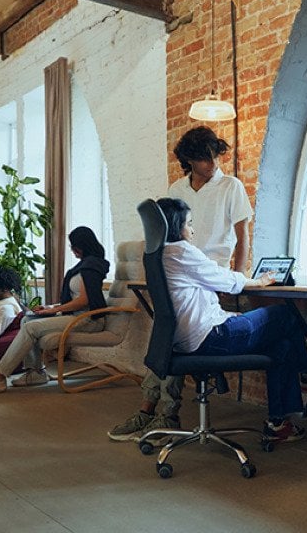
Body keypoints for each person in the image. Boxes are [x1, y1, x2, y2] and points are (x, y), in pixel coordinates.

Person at [107, 125, 253, 442]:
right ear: (189, 160)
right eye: (204, 159)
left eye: (214, 156)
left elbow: (242, 236)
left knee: (171, 334)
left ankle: (159, 413)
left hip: (212, 276)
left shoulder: (231, 186)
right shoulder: (176, 189)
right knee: (167, 331)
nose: (212, 164)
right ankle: (155, 412)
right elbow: (166, 237)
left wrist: (238, 280)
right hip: (179, 272)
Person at [148, 197, 307, 443]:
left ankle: (278, 424)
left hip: (187, 342)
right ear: (175, 225)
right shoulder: (180, 251)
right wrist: (258, 281)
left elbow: (196, 297)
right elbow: (224, 279)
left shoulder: (159, 254)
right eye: (188, 223)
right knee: (285, 314)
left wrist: (231, 315)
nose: (192, 229)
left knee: (282, 346)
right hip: (210, 339)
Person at [0, 226, 111, 395]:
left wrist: (55, 310)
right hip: (77, 316)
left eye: (73, 246)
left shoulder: (91, 267)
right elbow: (76, 299)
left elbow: (84, 301)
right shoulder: (86, 265)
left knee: (31, 327)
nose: (72, 250)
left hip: (89, 320)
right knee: (27, 319)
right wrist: (50, 307)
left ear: (82, 246)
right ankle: (36, 373)